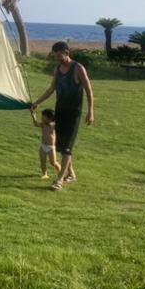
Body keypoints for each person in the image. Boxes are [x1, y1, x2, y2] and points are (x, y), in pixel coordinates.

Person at [31, 41, 94, 191]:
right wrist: (37, 102)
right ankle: (71, 174)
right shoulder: (57, 69)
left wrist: (91, 111)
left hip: (73, 113)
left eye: (59, 55)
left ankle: (59, 180)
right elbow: (51, 88)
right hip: (60, 111)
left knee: (67, 148)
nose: (57, 58)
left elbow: (88, 90)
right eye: (55, 56)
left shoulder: (78, 68)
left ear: (67, 53)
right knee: (61, 146)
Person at [31, 107, 62, 180]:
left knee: (53, 162)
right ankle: (45, 174)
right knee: (43, 161)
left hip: (51, 147)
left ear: (50, 119)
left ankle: (60, 170)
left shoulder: (54, 125)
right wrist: (34, 118)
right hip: (43, 146)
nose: (41, 118)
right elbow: (36, 124)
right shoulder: (43, 124)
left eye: (43, 117)